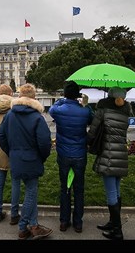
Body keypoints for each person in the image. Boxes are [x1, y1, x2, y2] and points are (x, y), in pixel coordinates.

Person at [0, 83, 53, 240]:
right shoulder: (37, 117)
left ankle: (34, 224)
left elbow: (1, 137)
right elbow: (44, 142)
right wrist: (41, 157)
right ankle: (23, 228)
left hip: (15, 158)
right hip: (32, 159)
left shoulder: (10, 115)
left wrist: (12, 152)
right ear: (34, 97)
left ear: (20, 95)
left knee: (31, 193)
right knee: (31, 193)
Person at [87, 86, 132, 240]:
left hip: (108, 154)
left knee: (111, 193)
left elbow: (93, 131)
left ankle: (117, 231)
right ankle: (113, 223)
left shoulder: (103, 110)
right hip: (121, 154)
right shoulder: (126, 112)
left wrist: (88, 141)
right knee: (117, 190)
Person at [48, 81, 94, 234]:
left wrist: (63, 99)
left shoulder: (59, 110)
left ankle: (63, 221)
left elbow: (52, 109)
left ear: (65, 94)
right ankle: (78, 223)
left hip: (64, 154)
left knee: (65, 188)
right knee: (79, 189)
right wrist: (85, 104)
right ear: (78, 95)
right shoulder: (84, 111)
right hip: (80, 154)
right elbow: (92, 119)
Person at [0, 85, 21, 225]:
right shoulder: (15, 109)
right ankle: (14, 214)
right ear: (10, 94)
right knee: (15, 182)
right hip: (13, 148)